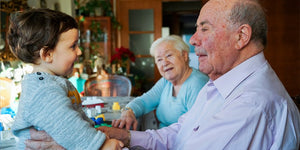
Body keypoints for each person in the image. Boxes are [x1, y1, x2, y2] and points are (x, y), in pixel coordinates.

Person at [24, 0, 300, 149]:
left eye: (204, 28)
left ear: (241, 36)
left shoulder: (249, 104)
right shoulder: (222, 85)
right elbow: (181, 134)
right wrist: (123, 136)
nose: (193, 40)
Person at [7, 8, 123, 150]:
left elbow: (75, 119)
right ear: (47, 54)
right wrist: (104, 146)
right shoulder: (43, 90)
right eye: (73, 46)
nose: (79, 51)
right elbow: (70, 128)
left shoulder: (53, 82)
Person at [112, 35, 209, 129]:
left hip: (178, 143)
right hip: (162, 140)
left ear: (184, 55)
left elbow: (193, 131)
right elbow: (144, 101)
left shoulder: (197, 84)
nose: (164, 63)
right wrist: (128, 111)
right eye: (159, 59)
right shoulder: (166, 82)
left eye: (169, 55)